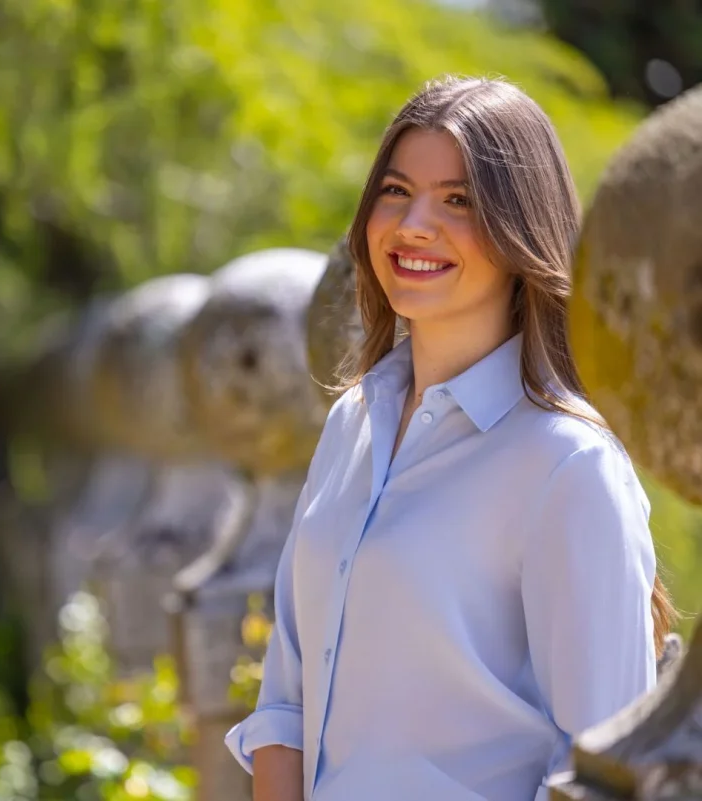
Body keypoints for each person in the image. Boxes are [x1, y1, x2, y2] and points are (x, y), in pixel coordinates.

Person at [224, 75, 678, 801]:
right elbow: (286, 699)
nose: (413, 224)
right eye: (396, 190)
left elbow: (600, 772)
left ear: (521, 227)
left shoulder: (568, 466)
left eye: (458, 200)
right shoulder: (350, 426)